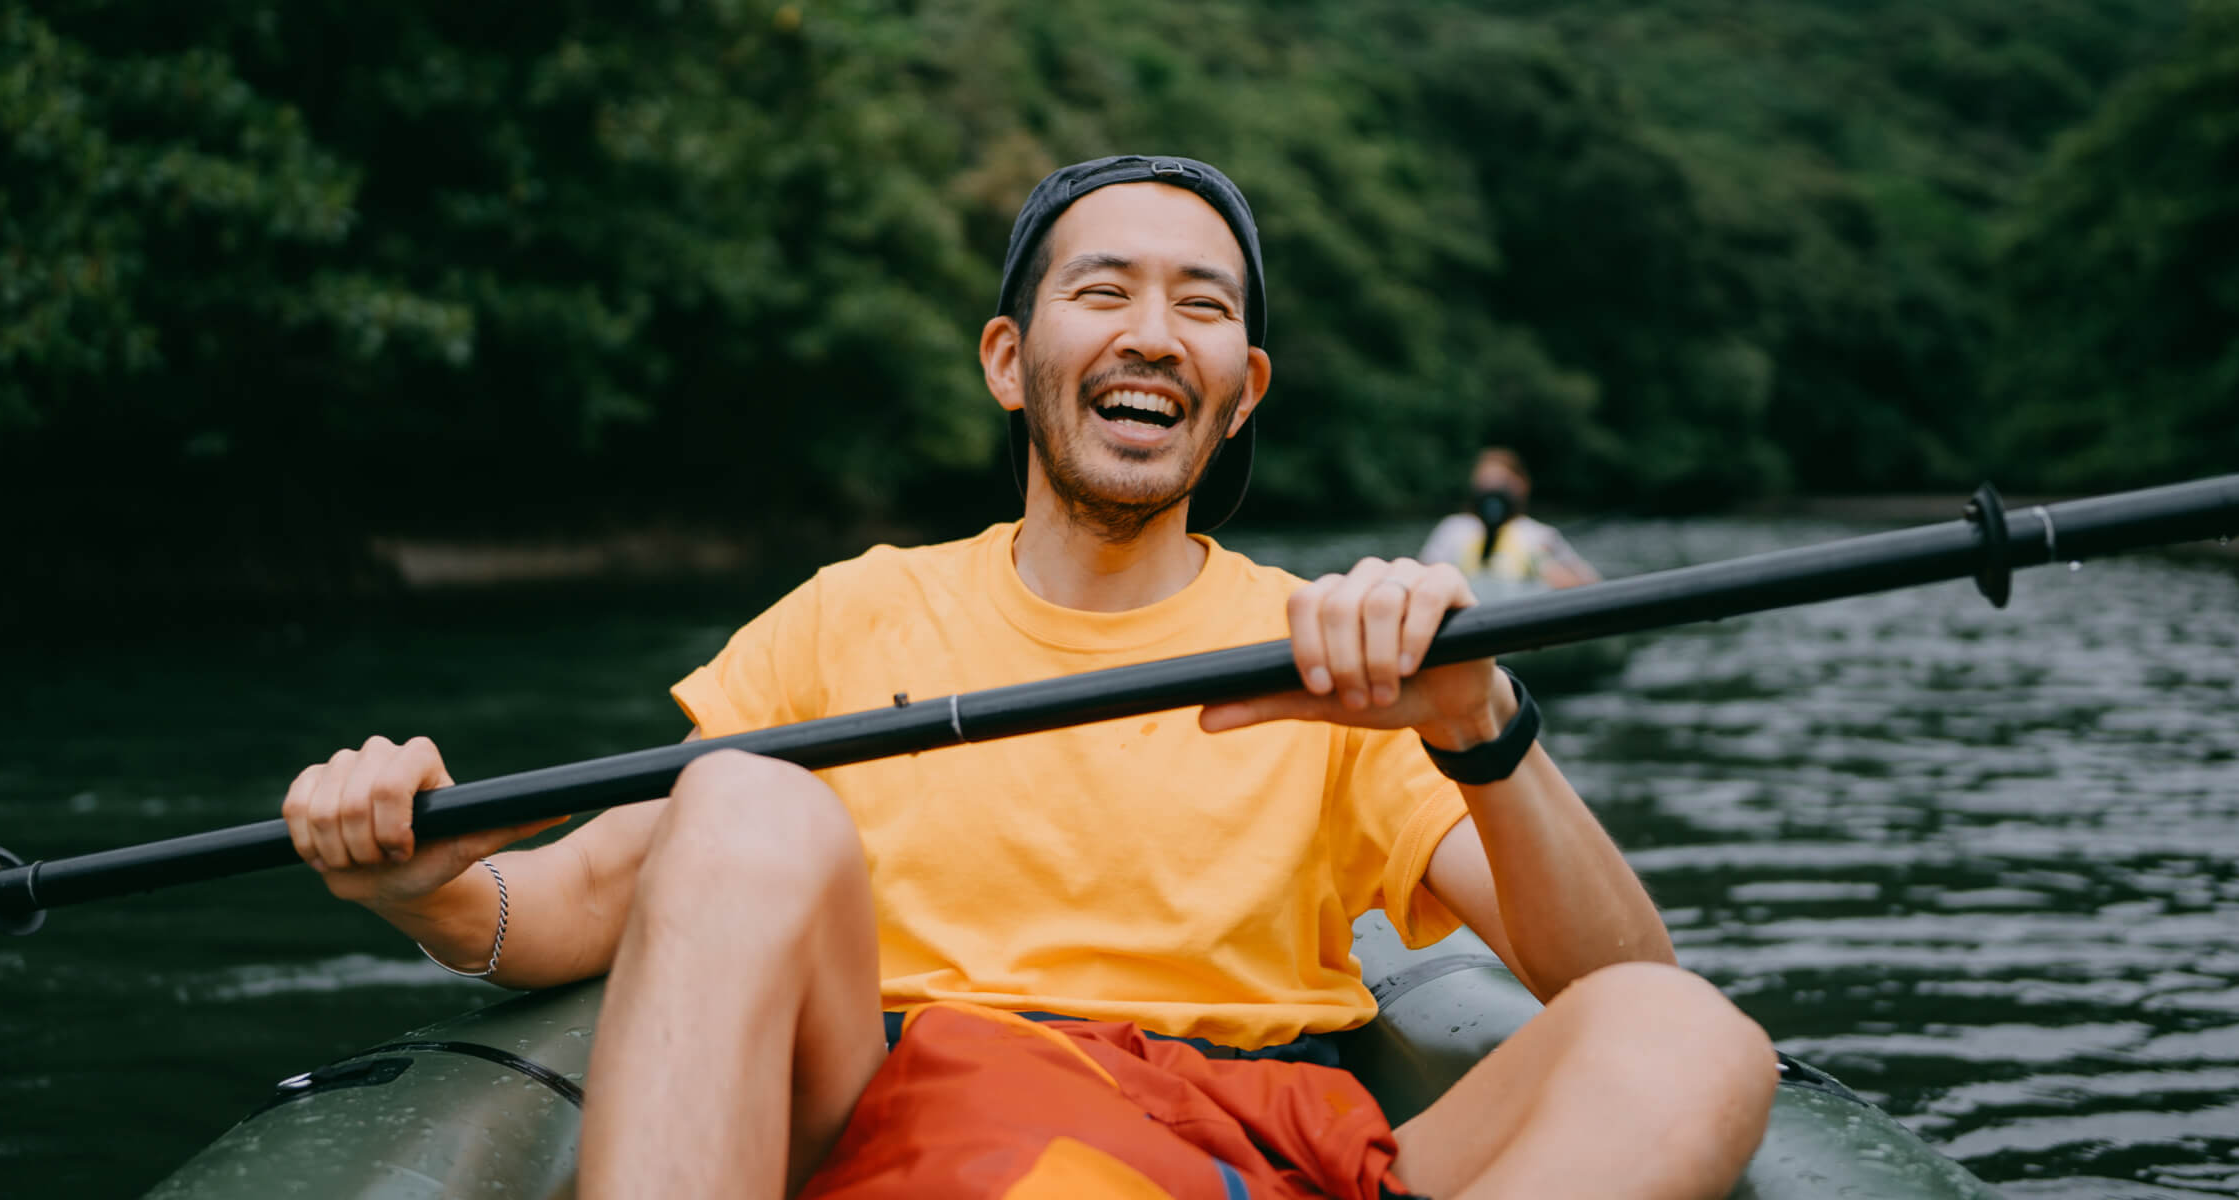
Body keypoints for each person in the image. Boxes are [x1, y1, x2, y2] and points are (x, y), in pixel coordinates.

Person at [278, 155, 1773, 1199]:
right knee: (744, 800)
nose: (1150, 333)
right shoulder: (856, 611)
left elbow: (1614, 989)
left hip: (1250, 1130)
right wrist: (423, 876)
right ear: (1011, 359)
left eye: (1203, 304)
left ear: (1242, 392)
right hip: (904, 1110)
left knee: (1695, 1037)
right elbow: (575, 898)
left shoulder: (1345, 653)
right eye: (1103, 290)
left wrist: (1480, 724)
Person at [1419, 448, 1601, 593]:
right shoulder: (1453, 528)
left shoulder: (1542, 535)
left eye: (1501, 483)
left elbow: (1593, 588)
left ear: (1522, 485)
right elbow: (1422, 578)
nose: (1493, 490)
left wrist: (1549, 570)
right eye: (1486, 483)